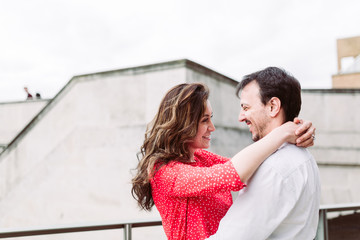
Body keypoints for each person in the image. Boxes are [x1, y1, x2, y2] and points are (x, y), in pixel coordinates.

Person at [131, 82, 315, 240]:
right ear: (182, 124)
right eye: (204, 120)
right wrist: (283, 133)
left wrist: (300, 132)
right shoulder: (164, 172)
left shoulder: (201, 158)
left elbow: (251, 164)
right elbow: (233, 174)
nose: (212, 127)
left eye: (211, 118)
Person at [207, 67, 321, 240]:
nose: (240, 117)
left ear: (273, 106)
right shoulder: (304, 157)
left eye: (246, 107)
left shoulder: (274, 167)